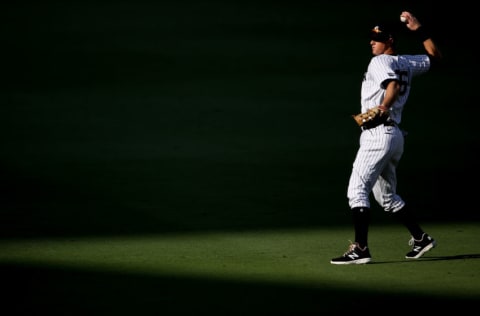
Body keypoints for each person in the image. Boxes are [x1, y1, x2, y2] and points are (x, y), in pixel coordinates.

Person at [330, 11, 443, 265]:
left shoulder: (379, 62)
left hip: (378, 134)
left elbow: (392, 87)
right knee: (387, 198)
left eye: (377, 38)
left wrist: (383, 107)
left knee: (357, 190)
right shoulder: (406, 62)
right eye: (371, 37)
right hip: (394, 137)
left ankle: (360, 248)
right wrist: (419, 29)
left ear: (390, 40)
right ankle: (421, 238)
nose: (372, 42)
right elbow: (435, 58)